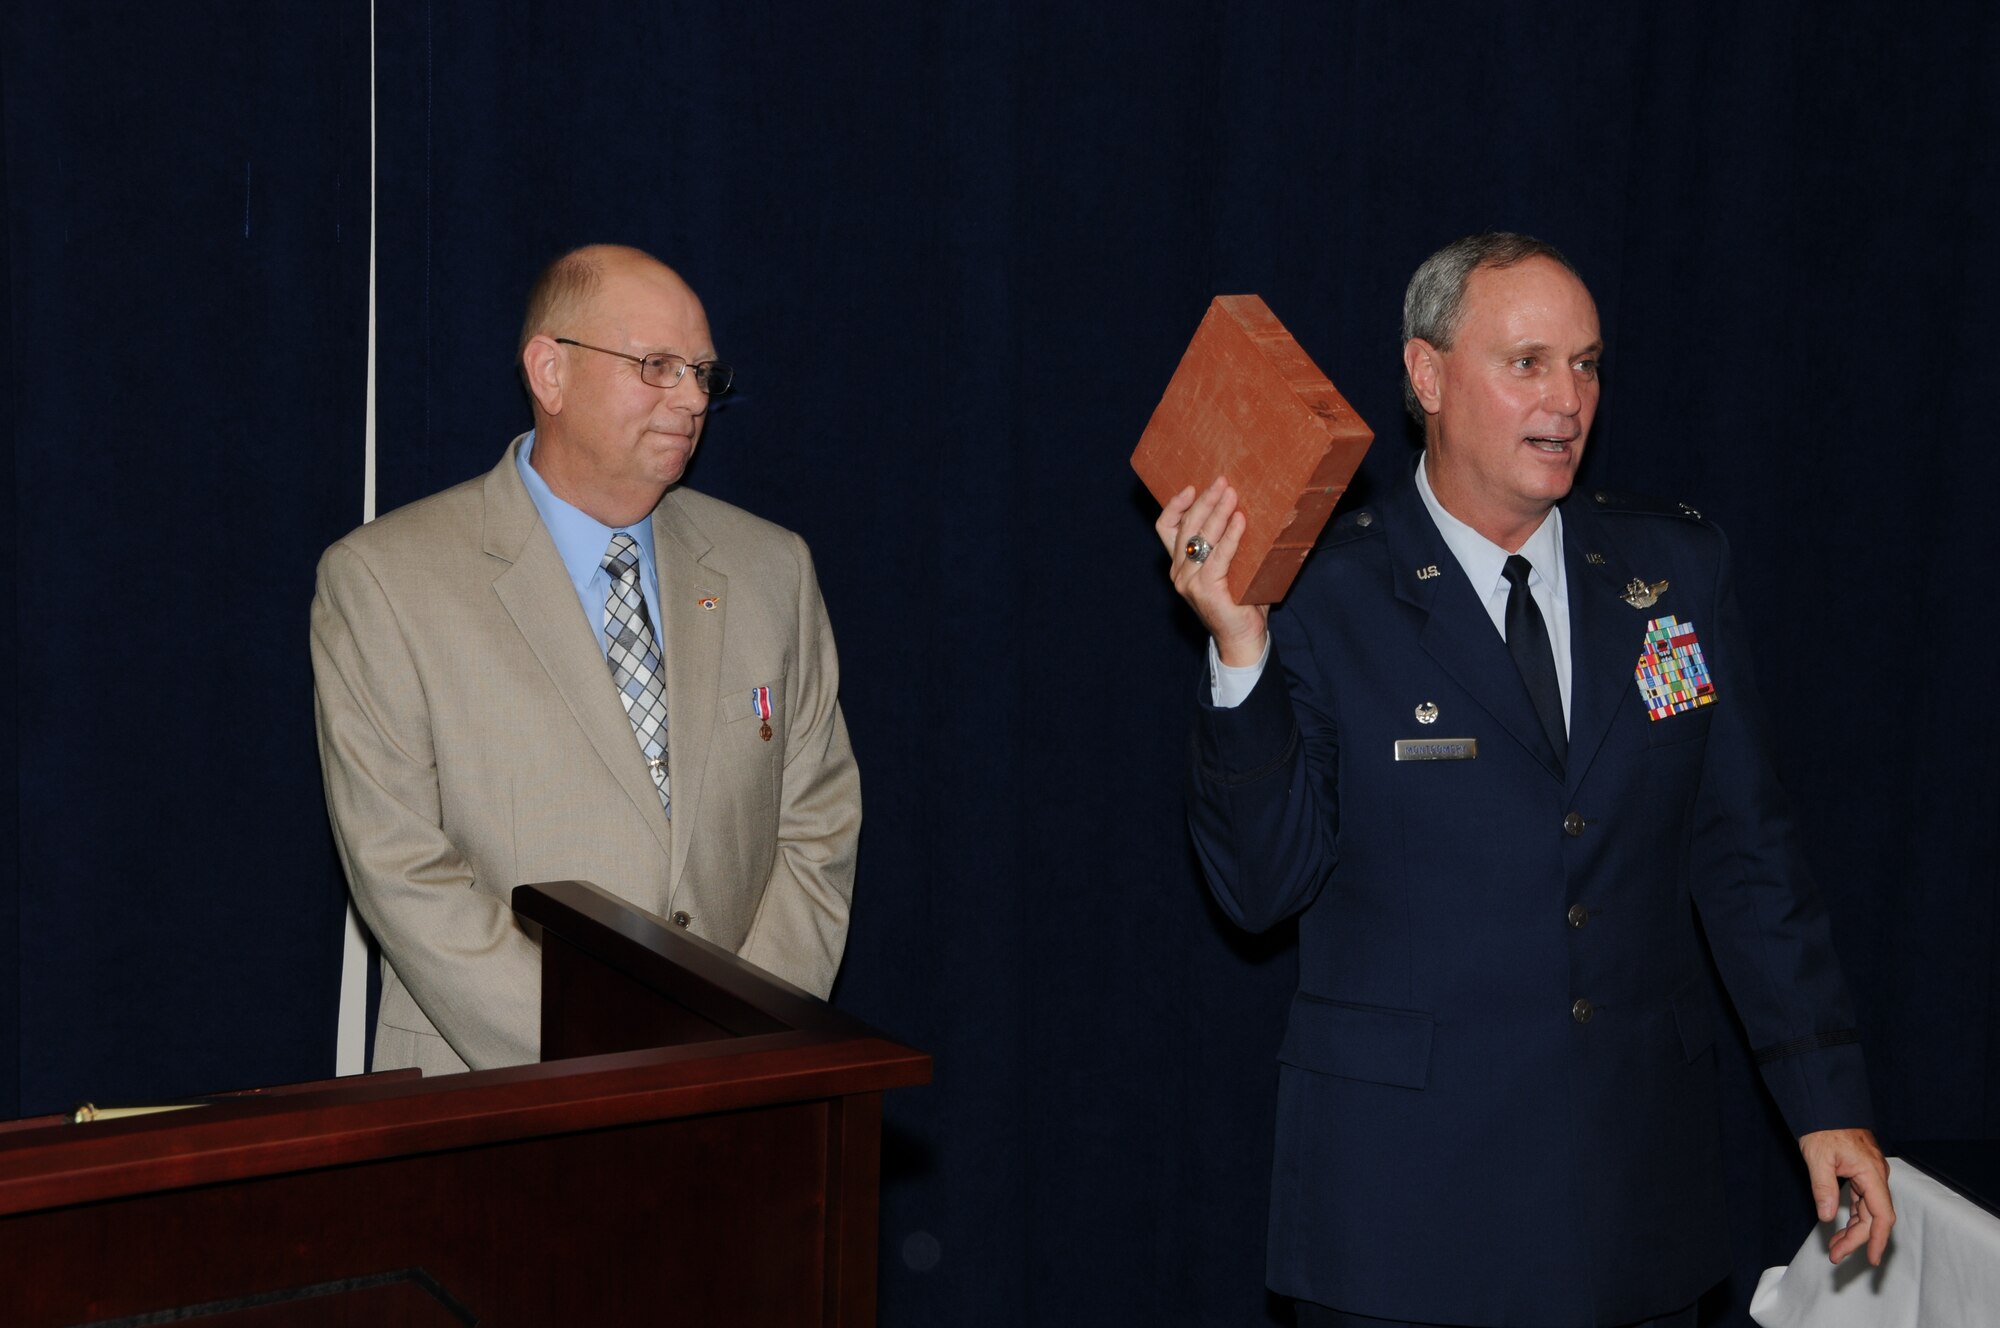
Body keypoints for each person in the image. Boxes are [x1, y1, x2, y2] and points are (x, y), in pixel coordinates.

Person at [1156, 233, 1892, 1328]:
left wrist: (1822, 1097)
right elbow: (1260, 888)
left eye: (1586, 364)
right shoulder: (1321, 589)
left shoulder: (1671, 570)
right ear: (1425, 376)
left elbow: (1743, 852)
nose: (1567, 398)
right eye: (1527, 362)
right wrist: (1238, 651)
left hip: (1630, 1208)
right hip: (1404, 1219)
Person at [312, 244, 860, 1074]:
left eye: (703, 374)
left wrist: (737, 1045)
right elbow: (402, 870)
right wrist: (605, 1059)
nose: (690, 398)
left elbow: (817, 827)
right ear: (550, 372)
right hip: (491, 1107)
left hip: (738, 1102)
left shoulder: (770, 570)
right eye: (657, 366)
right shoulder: (386, 581)